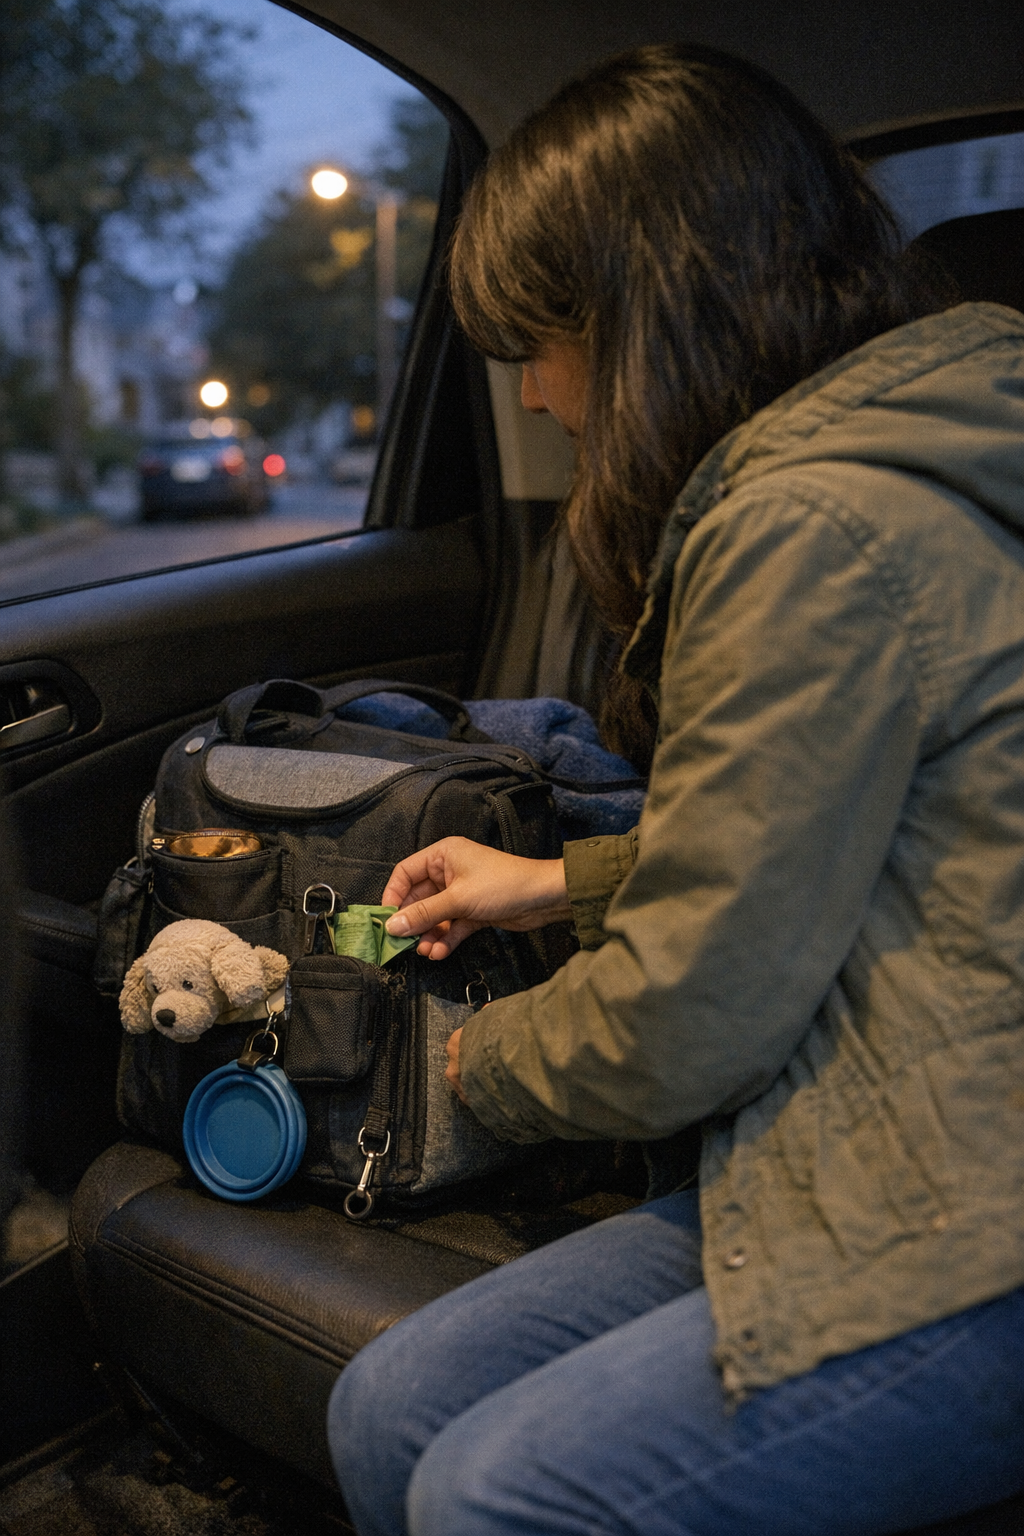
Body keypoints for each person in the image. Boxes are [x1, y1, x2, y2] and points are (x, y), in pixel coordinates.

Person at [328, 43, 1024, 1536]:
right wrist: (554, 881)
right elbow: (821, 843)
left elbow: (688, 1016)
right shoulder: (873, 470)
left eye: (546, 339)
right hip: (889, 1116)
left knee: (489, 1494)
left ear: (647, 314)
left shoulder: (810, 527)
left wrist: (475, 1063)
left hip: (974, 1209)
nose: (534, 393)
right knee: (383, 1404)